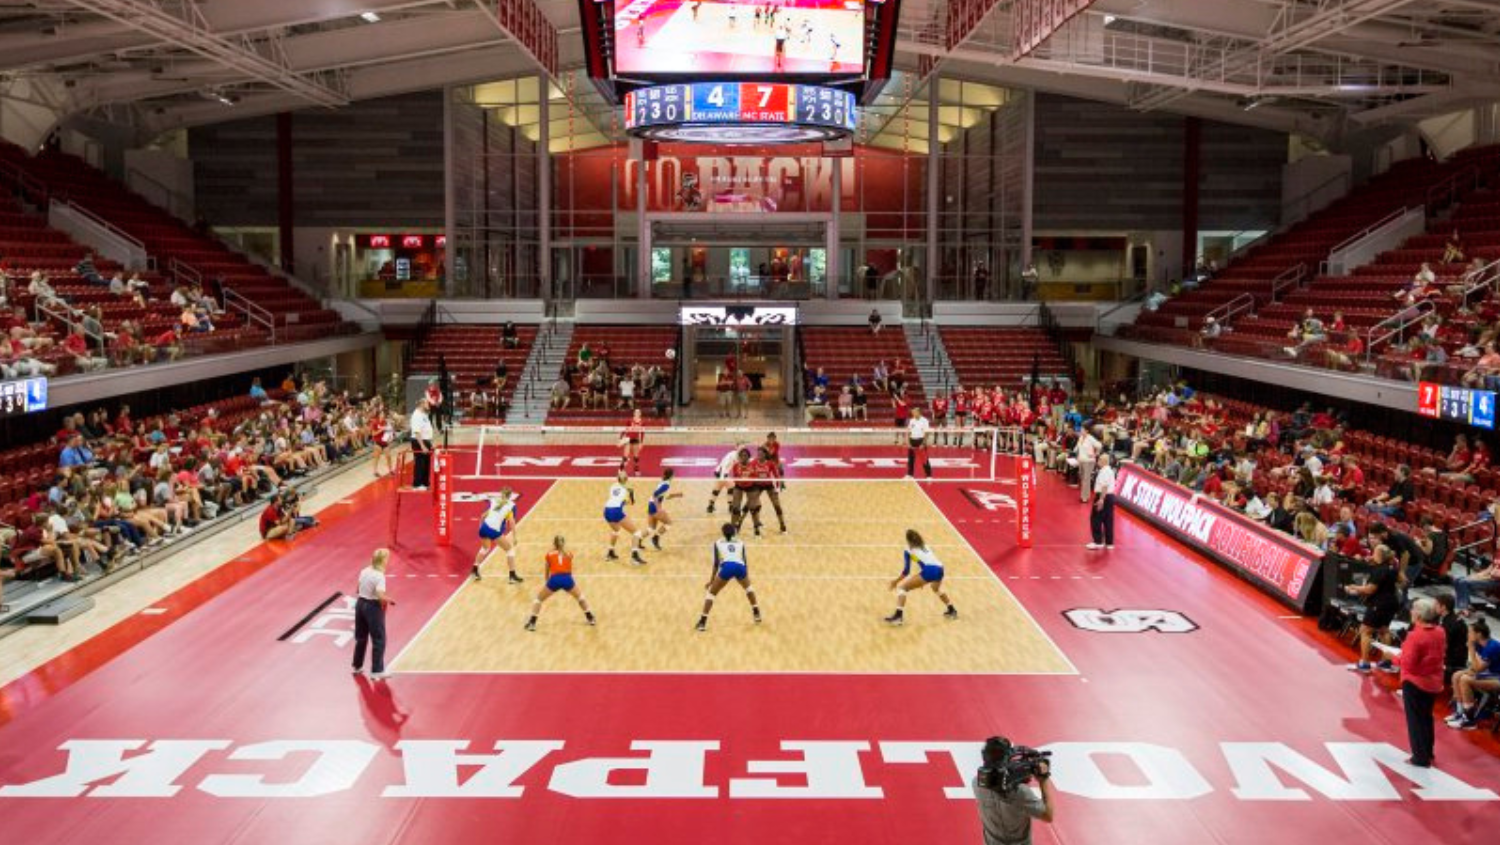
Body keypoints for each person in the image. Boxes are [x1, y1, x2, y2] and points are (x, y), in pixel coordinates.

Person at [1399, 599, 1445, 768]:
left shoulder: (1415, 636)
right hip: (1433, 682)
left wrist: (1394, 658)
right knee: (1426, 717)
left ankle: (1419, 757)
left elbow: (1408, 663)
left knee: (1415, 720)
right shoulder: (1440, 632)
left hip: (1415, 682)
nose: (1410, 612)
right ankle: (1428, 751)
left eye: (1412, 610)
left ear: (1418, 614)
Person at [1345, 545, 1401, 673]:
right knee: (1383, 630)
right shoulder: (1392, 568)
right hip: (1392, 602)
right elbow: (1402, 580)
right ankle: (1386, 662)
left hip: (1379, 604)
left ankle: (1364, 664)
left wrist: (1354, 587)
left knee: (1365, 631)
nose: (1372, 553)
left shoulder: (1380, 570)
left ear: (1380, 555)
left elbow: (1370, 589)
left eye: (1374, 552)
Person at [695, 522, 761, 632]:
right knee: (749, 589)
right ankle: (756, 612)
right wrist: (746, 576)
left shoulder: (717, 543)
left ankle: (702, 622)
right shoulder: (740, 542)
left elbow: (716, 563)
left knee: (711, 593)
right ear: (734, 532)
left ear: (723, 533)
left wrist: (711, 581)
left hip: (727, 567)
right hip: (740, 567)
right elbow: (744, 561)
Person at [884, 529, 958, 626]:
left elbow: (906, 571)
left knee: (902, 588)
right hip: (940, 568)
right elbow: (923, 562)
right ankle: (951, 609)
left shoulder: (908, 550)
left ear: (908, 540)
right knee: (936, 588)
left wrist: (896, 581)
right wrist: (922, 579)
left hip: (930, 571)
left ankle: (898, 617)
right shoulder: (925, 546)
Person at [524, 536, 595, 632]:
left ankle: (532, 623)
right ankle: (590, 618)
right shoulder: (569, 554)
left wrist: (547, 582)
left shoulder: (549, 554)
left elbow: (547, 570)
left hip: (554, 579)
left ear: (554, 544)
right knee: (580, 598)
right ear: (564, 544)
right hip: (567, 579)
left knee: (538, 600)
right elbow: (569, 567)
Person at [1446, 620, 1500, 730]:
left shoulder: (1492, 647)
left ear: (1479, 634)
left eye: (1470, 632)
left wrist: (1470, 648)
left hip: (1497, 677)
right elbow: (1476, 667)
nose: (1468, 635)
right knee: (1456, 675)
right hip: (1488, 673)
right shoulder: (1479, 644)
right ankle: (1460, 712)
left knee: (1465, 679)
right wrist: (1471, 670)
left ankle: (1469, 720)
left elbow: (1478, 668)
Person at [352, 548, 395, 680]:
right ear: (382, 560)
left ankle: (357, 666)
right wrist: (390, 600)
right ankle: (377, 671)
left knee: (361, 637)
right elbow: (380, 595)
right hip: (373, 608)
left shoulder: (364, 570)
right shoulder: (379, 576)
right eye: (387, 558)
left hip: (360, 605)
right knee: (379, 639)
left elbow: (357, 589)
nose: (388, 560)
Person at [473, 487, 522, 583]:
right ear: (510, 496)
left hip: (484, 527)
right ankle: (512, 575)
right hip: (493, 530)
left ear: (501, 494)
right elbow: (511, 522)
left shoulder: (494, 501)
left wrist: (481, 528)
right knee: (509, 549)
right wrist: (515, 536)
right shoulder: (511, 506)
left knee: (485, 548)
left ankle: (475, 569)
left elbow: (482, 516)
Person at [603, 470, 648, 565]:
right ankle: (634, 557)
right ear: (626, 479)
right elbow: (631, 502)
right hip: (616, 511)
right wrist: (631, 495)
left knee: (616, 531)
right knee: (637, 533)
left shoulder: (612, 486)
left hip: (607, 510)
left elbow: (618, 499)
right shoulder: (627, 489)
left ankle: (610, 552)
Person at [645, 468, 682, 550]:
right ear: (672, 476)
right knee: (668, 523)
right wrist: (659, 508)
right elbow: (655, 494)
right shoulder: (666, 485)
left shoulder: (664, 482)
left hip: (650, 505)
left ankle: (638, 540)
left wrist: (676, 495)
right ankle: (655, 538)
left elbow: (664, 496)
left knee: (651, 528)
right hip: (654, 506)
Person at [1086, 453, 1117, 551]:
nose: (1098, 461)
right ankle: (1109, 543)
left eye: (1099, 459)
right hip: (1110, 497)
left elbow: (1104, 486)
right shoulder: (1110, 471)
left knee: (1096, 519)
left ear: (1103, 461)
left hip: (1103, 496)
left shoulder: (1104, 471)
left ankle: (1098, 542)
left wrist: (1101, 499)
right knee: (1108, 520)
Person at [706, 442, 745, 514]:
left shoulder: (738, 455)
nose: (742, 449)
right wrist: (722, 476)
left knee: (717, 490)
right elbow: (724, 464)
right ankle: (731, 507)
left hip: (720, 473)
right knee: (732, 488)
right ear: (736, 447)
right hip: (722, 473)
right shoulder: (732, 455)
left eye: (743, 448)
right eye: (741, 448)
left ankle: (710, 506)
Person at [409, 398, 434, 490]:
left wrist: (430, 443)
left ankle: (425, 482)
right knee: (420, 462)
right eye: (427, 403)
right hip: (418, 441)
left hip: (426, 440)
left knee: (426, 462)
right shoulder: (417, 415)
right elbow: (417, 432)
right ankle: (417, 484)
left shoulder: (424, 414)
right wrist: (422, 445)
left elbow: (426, 429)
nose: (428, 405)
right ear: (422, 404)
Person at [906, 407, 933, 480]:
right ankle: (909, 475)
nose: (912, 413)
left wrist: (923, 443)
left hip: (920, 440)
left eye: (914, 412)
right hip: (912, 440)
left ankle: (929, 475)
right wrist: (908, 442)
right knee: (911, 459)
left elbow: (926, 433)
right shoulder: (911, 420)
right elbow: (909, 432)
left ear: (918, 412)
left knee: (924, 459)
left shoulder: (925, 421)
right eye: (912, 412)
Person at [619, 409, 646, 475]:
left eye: (638, 412)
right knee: (625, 456)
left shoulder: (642, 422)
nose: (637, 413)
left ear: (640, 414)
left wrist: (641, 442)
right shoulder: (629, 421)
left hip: (636, 440)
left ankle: (636, 469)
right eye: (636, 412)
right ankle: (621, 469)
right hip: (628, 439)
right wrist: (620, 439)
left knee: (636, 456)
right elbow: (625, 430)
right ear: (634, 413)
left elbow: (642, 433)